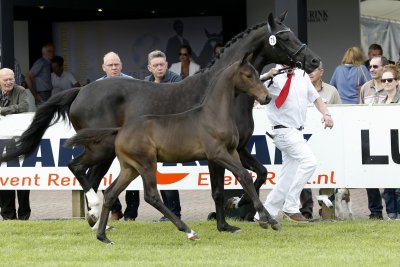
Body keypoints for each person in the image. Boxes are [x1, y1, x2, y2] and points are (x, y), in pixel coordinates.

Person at [254, 64, 334, 223]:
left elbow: (316, 98)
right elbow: (254, 89)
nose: (289, 62)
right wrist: (267, 76)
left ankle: (264, 213)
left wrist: (326, 114)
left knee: (287, 175)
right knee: (310, 162)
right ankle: (290, 206)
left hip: (296, 131)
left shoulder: (302, 75)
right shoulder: (272, 75)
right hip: (282, 130)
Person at [96, 51, 138, 221]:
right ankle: (115, 209)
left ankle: (131, 213)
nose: (114, 68)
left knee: (132, 173)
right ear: (103, 67)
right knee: (102, 173)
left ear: (121, 65)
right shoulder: (96, 87)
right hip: (107, 139)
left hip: (129, 137)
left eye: (116, 64)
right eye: (110, 65)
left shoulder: (132, 83)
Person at [299, 61, 341, 219]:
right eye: (306, 69)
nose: (309, 72)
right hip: (304, 139)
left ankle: (327, 211)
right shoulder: (299, 90)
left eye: (313, 70)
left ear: (321, 72)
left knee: (327, 174)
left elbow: (340, 115)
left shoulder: (332, 91)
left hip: (326, 141)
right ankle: (306, 210)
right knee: (302, 173)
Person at [145, 50, 182, 221]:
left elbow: (174, 103)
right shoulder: (146, 82)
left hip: (172, 133)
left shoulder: (175, 79)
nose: (160, 68)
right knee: (158, 172)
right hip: (153, 134)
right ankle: (167, 213)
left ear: (167, 65)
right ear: (149, 68)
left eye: (162, 65)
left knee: (169, 171)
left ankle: (174, 212)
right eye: (156, 65)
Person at [359, 56, 390, 219]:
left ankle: (392, 211)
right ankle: (375, 211)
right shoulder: (365, 88)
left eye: (375, 66)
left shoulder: (391, 85)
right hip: (369, 138)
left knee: (390, 177)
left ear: (384, 68)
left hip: (388, 136)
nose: (371, 69)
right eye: (370, 66)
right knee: (369, 176)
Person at [0, 68, 30, 220]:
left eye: (11, 79)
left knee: (23, 180)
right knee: (4, 179)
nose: (9, 82)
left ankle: (24, 215)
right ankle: (8, 216)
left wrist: (2, 111)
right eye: (5, 80)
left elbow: (24, 107)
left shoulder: (21, 91)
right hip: (2, 143)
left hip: (19, 141)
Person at [381, 64, 400, 220]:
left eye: (389, 80)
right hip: (385, 147)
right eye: (383, 80)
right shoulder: (380, 103)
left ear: (397, 81)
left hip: (398, 146)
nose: (386, 83)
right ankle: (391, 215)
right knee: (387, 184)